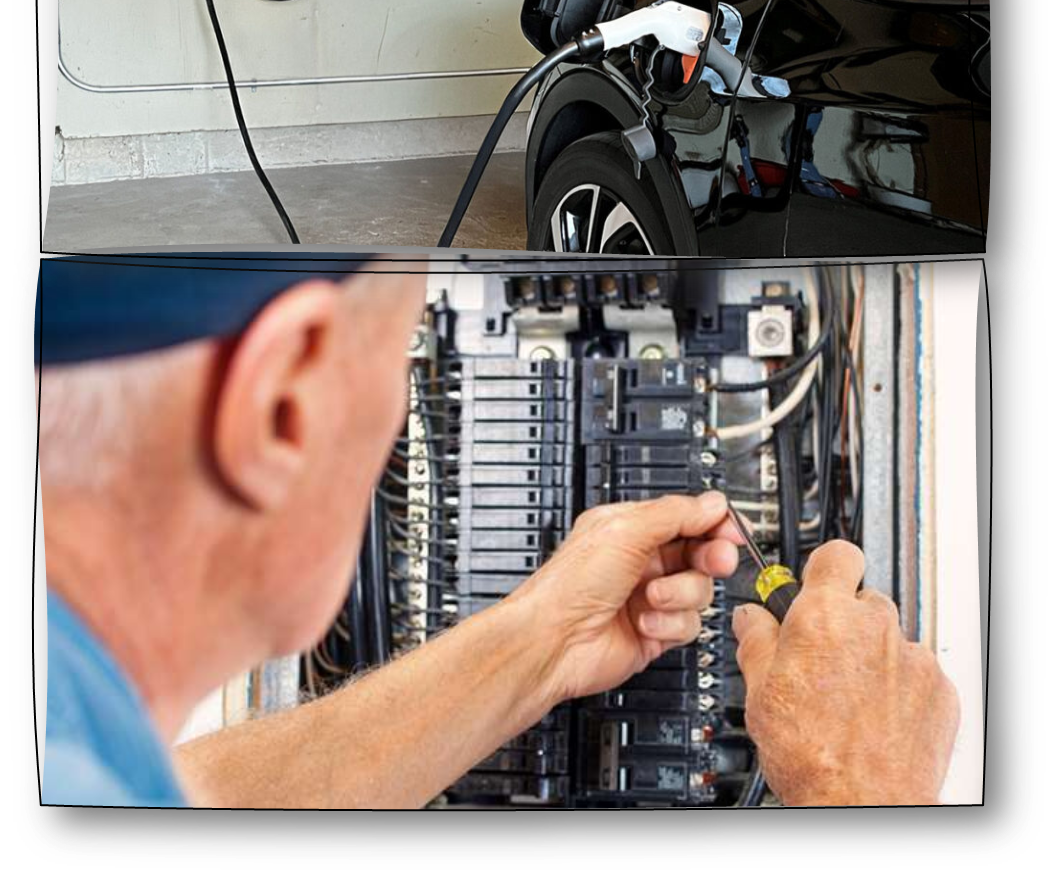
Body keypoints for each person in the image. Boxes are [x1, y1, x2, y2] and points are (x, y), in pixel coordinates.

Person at [34, 255, 959, 810]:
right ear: (280, 405)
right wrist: (860, 795)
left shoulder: (72, 750)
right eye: (397, 369)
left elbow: (202, 802)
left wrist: (541, 641)